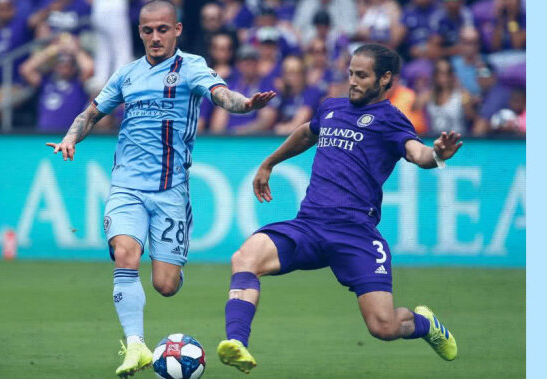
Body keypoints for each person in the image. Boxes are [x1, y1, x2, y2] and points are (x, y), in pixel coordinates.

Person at [45, 1, 276, 377]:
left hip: (170, 190)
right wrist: (70, 138)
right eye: (148, 30)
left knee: (165, 285)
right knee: (125, 252)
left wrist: (245, 105)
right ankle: (135, 345)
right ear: (140, 32)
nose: (155, 37)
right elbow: (91, 113)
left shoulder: (192, 67)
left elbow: (221, 95)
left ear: (177, 30)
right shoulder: (127, 74)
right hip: (126, 186)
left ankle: (170, 266)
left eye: (162, 30)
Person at [216, 43, 461, 374]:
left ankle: (425, 324)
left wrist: (437, 155)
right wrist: (269, 163)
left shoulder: (391, 120)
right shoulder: (331, 107)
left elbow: (417, 153)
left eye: (362, 75)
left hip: (355, 234)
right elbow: (306, 133)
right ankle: (237, 343)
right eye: (351, 74)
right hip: (310, 225)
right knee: (245, 257)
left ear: (385, 78)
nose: (353, 82)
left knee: (384, 327)